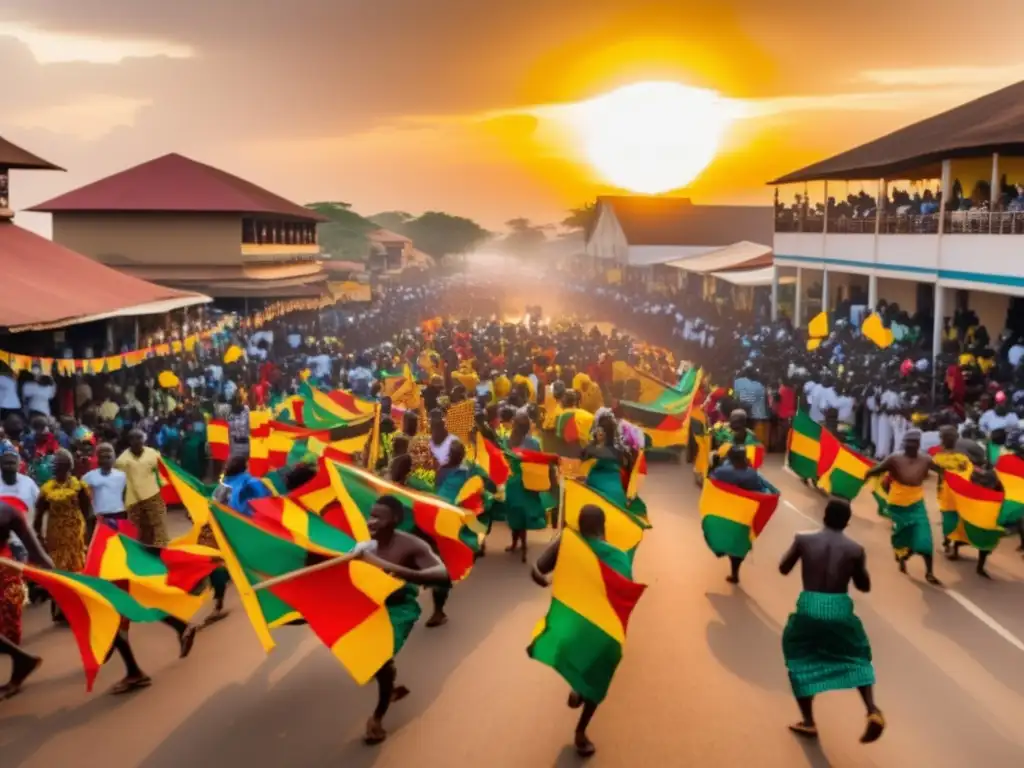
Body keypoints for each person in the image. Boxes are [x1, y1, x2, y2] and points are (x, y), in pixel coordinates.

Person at [779, 499, 885, 744]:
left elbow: (783, 568)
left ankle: (808, 722)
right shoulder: (855, 549)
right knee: (857, 655)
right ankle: (871, 709)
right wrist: (857, 567)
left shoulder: (803, 539)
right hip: (839, 608)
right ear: (847, 522)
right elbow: (863, 586)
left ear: (824, 515)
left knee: (800, 659)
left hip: (809, 607)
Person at [530, 504, 622, 757]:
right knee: (598, 677)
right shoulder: (616, 555)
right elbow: (623, 597)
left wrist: (550, 581)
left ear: (580, 526)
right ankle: (581, 732)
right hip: (600, 628)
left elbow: (537, 571)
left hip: (571, 621)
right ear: (603, 527)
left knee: (581, 663)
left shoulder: (567, 545)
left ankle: (578, 687)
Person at [358, 495, 449, 745]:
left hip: (399, 609)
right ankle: (390, 686)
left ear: (395, 520)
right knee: (364, 658)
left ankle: (377, 717)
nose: (371, 521)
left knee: (381, 658)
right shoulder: (363, 543)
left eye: (378, 517)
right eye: (371, 515)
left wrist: (389, 568)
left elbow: (441, 574)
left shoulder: (410, 545)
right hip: (369, 606)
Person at [865, 430, 943, 585]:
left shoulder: (926, 460)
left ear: (919, 444)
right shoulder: (894, 458)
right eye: (909, 442)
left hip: (917, 501)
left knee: (924, 536)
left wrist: (952, 481)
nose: (911, 445)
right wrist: (863, 473)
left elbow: (943, 472)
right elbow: (876, 470)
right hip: (898, 503)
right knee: (904, 535)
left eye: (914, 442)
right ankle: (903, 556)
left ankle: (929, 572)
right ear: (904, 443)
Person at [0, 499, 52, 700]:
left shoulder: (7, 511)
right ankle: (23, 661)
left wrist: (61, 581)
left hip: (5, 576)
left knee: (9, 627)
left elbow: (37, 554)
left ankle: (22, 663)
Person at [34, 449, 92, 621]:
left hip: (76, 536)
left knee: (77, 570)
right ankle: (60, 610)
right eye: (54, 462)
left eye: (59, 462)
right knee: (59, 572)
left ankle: (77, 608)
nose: (55, 465)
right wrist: (39, 537)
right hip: (56, 536)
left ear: (68, 465)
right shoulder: (46, 489)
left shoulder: (79, 486)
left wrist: (88, 538)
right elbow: (38, 516)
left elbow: (88, 513)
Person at [708, 444, 771, 584]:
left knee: (724, 535)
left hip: (728, 512)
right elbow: (761, 491)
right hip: (745, 515)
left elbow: (711, 482)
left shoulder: (722, 472)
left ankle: (722, 551)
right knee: (740, 542)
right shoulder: (752, 473)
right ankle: (735, 571)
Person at [117, 429, 169, 546]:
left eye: (139, 438)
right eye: (133, 439)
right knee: (139, 529)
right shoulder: (121, 461)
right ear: (129, 441)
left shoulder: (153, 454)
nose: (136, 441)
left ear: (143, 439)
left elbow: (162, 471)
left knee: (159, 525)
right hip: (133, 500)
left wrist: (163, 483)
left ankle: (161, 552)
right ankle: (143, 555)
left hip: (152, 495)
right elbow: (119, 483)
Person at [82, 443, 128, 543]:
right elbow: (82, 496)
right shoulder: (89, 477)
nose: (106, 460)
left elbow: (126, 496)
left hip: (119, 515)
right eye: (102, 457)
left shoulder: (122, 476)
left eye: (109, 457)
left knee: (119, 544)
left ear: (114, 458)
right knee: (99, 545)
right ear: (98, 459)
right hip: (99, 516)